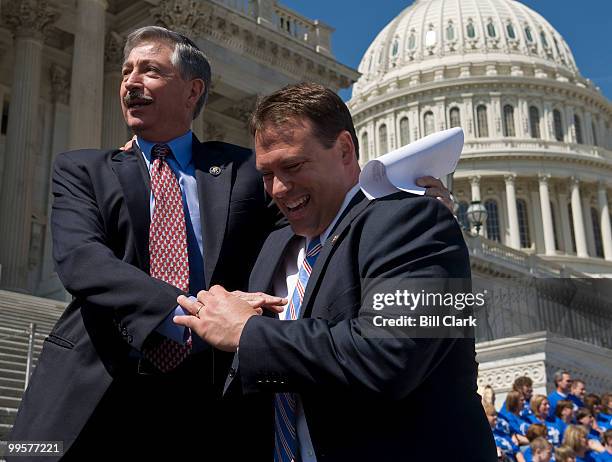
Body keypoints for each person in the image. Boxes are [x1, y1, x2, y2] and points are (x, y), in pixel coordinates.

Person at [174, 82, 496, 461]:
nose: (278, 188)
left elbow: (390, 356)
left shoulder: (419, 221)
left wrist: (250, 332)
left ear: (344, 150)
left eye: (292, 166)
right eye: (266, 174)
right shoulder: (274, 244)